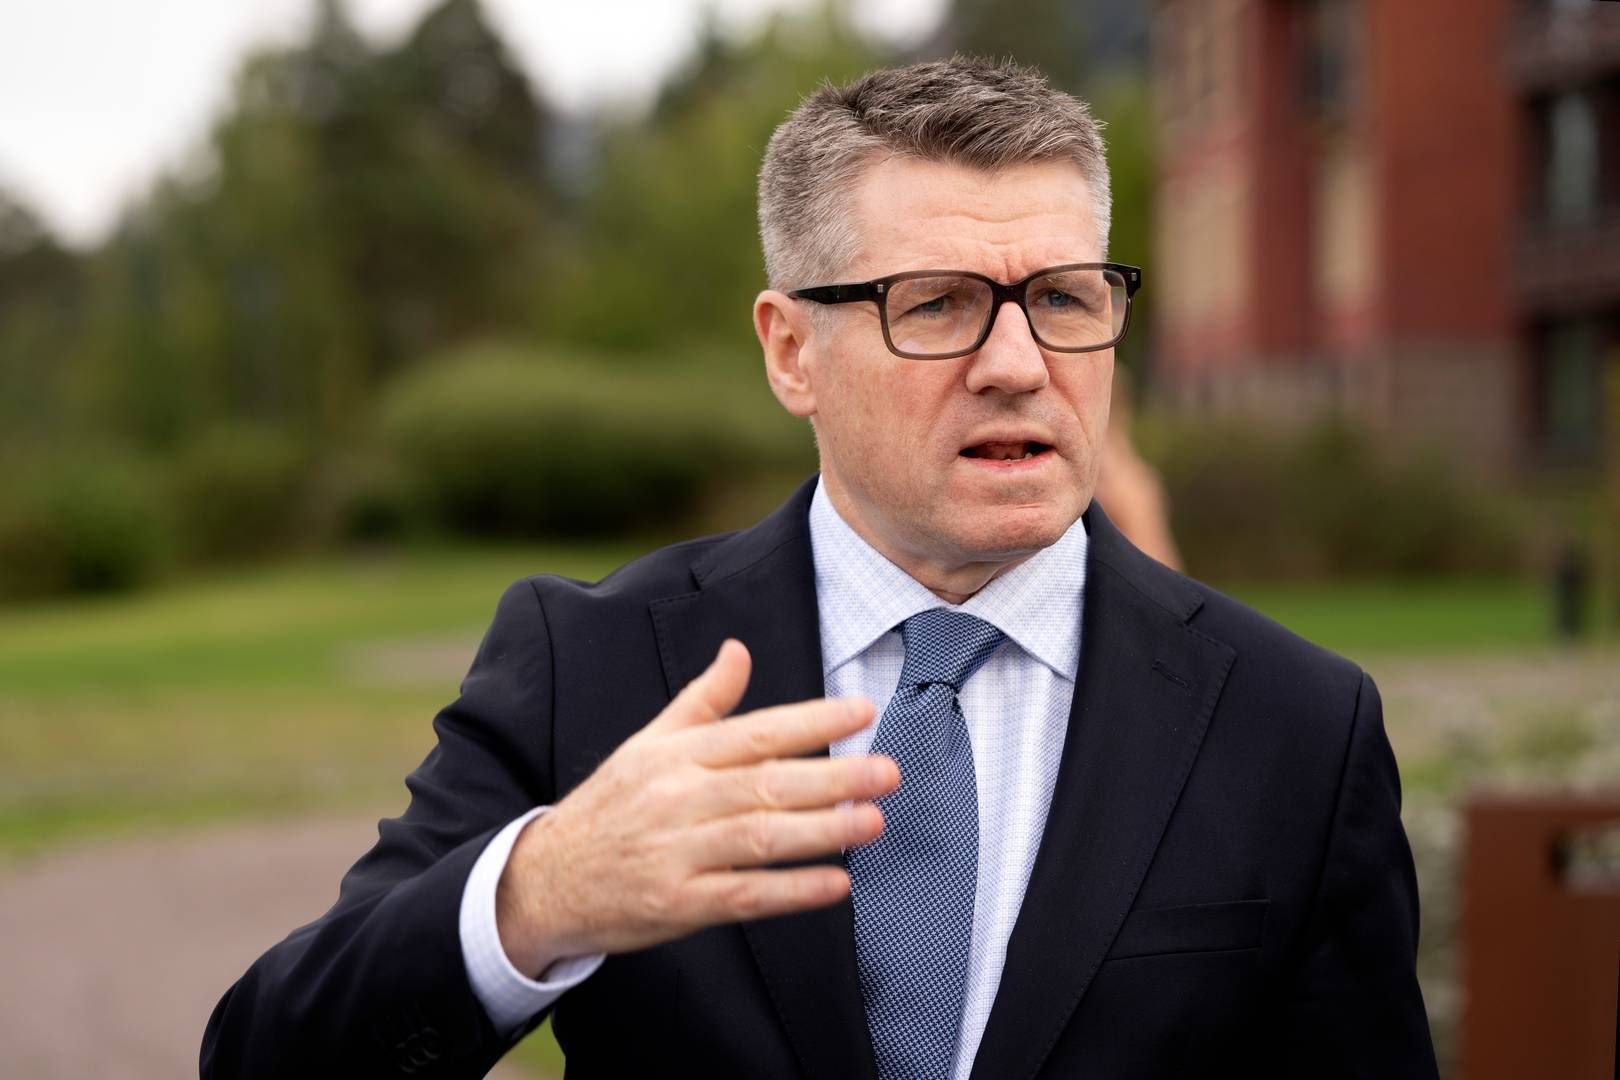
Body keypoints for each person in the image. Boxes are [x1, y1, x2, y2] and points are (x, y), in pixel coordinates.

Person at [202, 58, 1438, 1079]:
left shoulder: (1294, 725)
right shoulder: (598, 667)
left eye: (1062, 298)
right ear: (791, 350)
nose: (1018, 362)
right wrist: (541, 891)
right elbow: (268, 1058)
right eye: (941, 304)